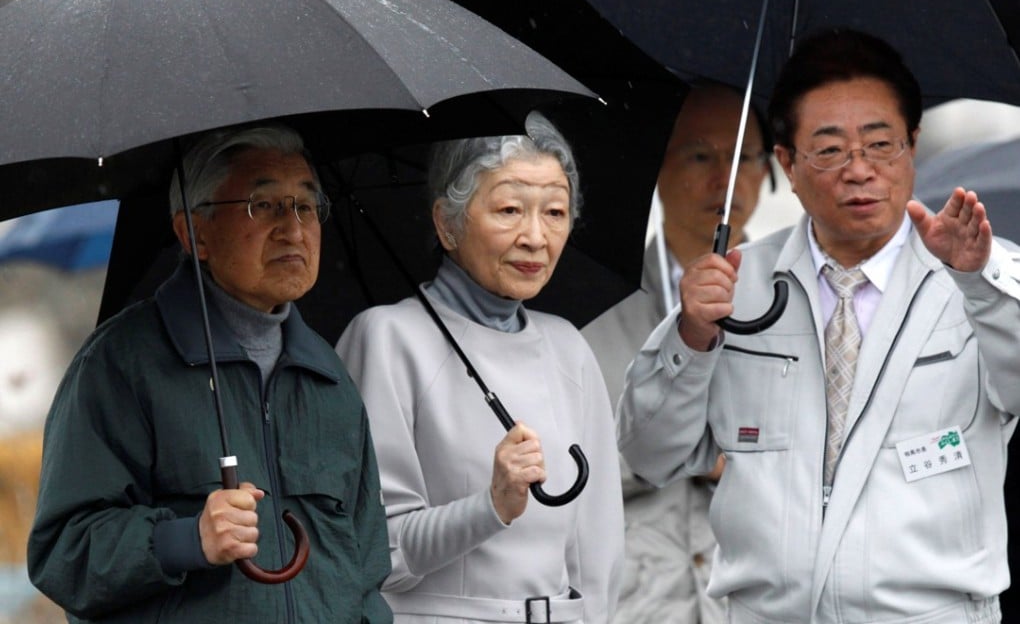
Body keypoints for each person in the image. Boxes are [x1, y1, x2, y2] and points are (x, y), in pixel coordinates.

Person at [617, 28, 1020, 624]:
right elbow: (649, 453)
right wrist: (690, 338)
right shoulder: (734, 285)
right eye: (829, 150)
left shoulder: (982, 271)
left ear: (913, 145)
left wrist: (979, 285)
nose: (859, 170)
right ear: (788, 163)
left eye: (881, 144)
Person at [28, 124, 392, 623]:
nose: (293, 228)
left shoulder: (327, 376)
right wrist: (186, 539)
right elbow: (63, 556)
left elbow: (365, 566)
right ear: (193, 233)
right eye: (263, 206)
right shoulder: (122, 363)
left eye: (306, 206)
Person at [336, 111, 624, 623]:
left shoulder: (568, 347)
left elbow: (597, 552)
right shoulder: (387, 338)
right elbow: (378, 553)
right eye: (510, 208)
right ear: (447, 223)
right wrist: (490, 505)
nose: (536, 237)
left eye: (555, 212)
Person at [582, 82, 772, 624]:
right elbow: (570, 451)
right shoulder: (591, 309)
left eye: (744, 157)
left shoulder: (799, 301)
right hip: (637, 600)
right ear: (655, 166)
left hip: (756, 596)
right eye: (699, 154)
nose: (725, 178)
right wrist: (690, 449)